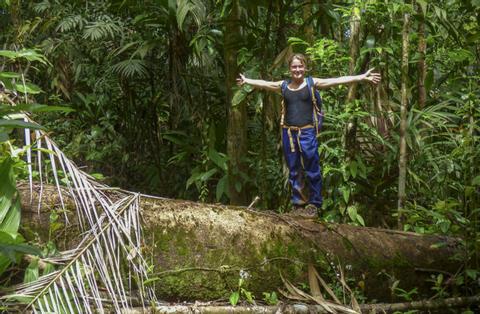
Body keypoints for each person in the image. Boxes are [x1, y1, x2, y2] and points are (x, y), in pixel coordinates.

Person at [237, 53, 381, 217]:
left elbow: (337, 80)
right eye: (294, 66)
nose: (297, 69)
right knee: (294, 170)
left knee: (312, 169)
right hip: (288, 133)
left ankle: (314, 204)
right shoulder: (284, 86)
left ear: (305, 68)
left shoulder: (312, 83)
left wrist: (362, 77)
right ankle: (298, 205)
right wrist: (247, 81)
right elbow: (264, 84)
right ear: (289, 69)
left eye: (300, 66)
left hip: (307, 132)